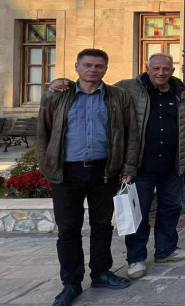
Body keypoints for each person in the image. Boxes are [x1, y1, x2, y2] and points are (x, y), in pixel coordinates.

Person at [38, 49, 138, 306]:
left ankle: (101, 272)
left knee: (102, 225)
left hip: (104, 169)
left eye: (99, 66)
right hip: (67, 172)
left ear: (106, 69)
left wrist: (128, 167)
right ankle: (71, 282)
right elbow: (43, 133)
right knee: (68, 230)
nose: (93, 70)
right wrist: (48, 167)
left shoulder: (118, 96)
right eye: (88, 65)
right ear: (77, 67)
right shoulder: (58, 97)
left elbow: (131, 134)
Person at [117, 54, 185, 277]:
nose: (161, 73)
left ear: (172, 70)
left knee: (170, 209)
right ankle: (136, 259)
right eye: (156, 68)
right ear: (147, 68)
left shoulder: (183, 95)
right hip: (141, 166)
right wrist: (64, 85)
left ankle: (166, 249)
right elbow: (96, 91)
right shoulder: (129, 89)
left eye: (166, 69)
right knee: (139, 213)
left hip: (173, 164)